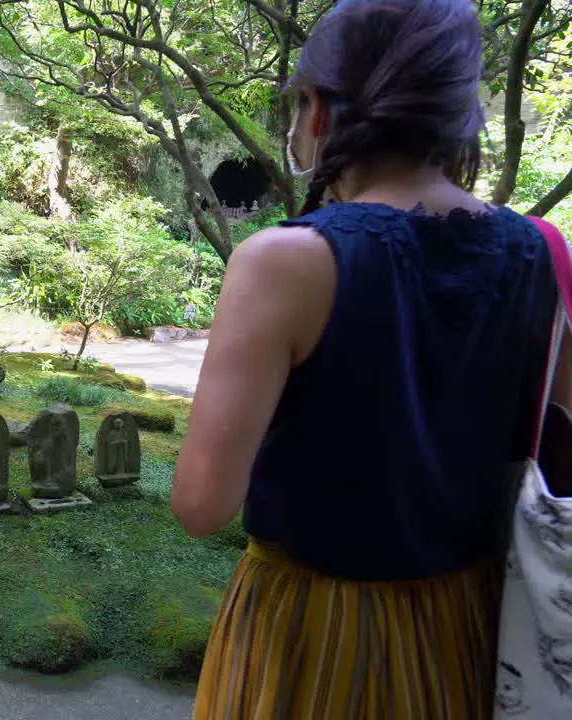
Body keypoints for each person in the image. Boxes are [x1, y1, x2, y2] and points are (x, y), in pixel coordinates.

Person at [170, 0, 570, 717]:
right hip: (475, 628)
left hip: (313, 634)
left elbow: (202, 505)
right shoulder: (542, 252)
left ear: (319, 112)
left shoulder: (288, 261)